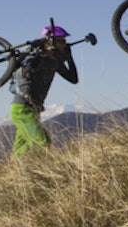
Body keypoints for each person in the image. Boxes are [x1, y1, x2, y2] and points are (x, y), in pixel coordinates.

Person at [8, 24, 80, 157]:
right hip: (22, 108)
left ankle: (13, 173)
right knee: (43, 144)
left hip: (33, 110)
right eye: (60, 41)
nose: (64, 44)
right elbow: (27, 70)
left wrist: (69, 58)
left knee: (21, 150)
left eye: (64, 41)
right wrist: (39, 50)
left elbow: (73, 78)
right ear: (50, 40)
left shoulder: (54, 62)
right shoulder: (37, 56)